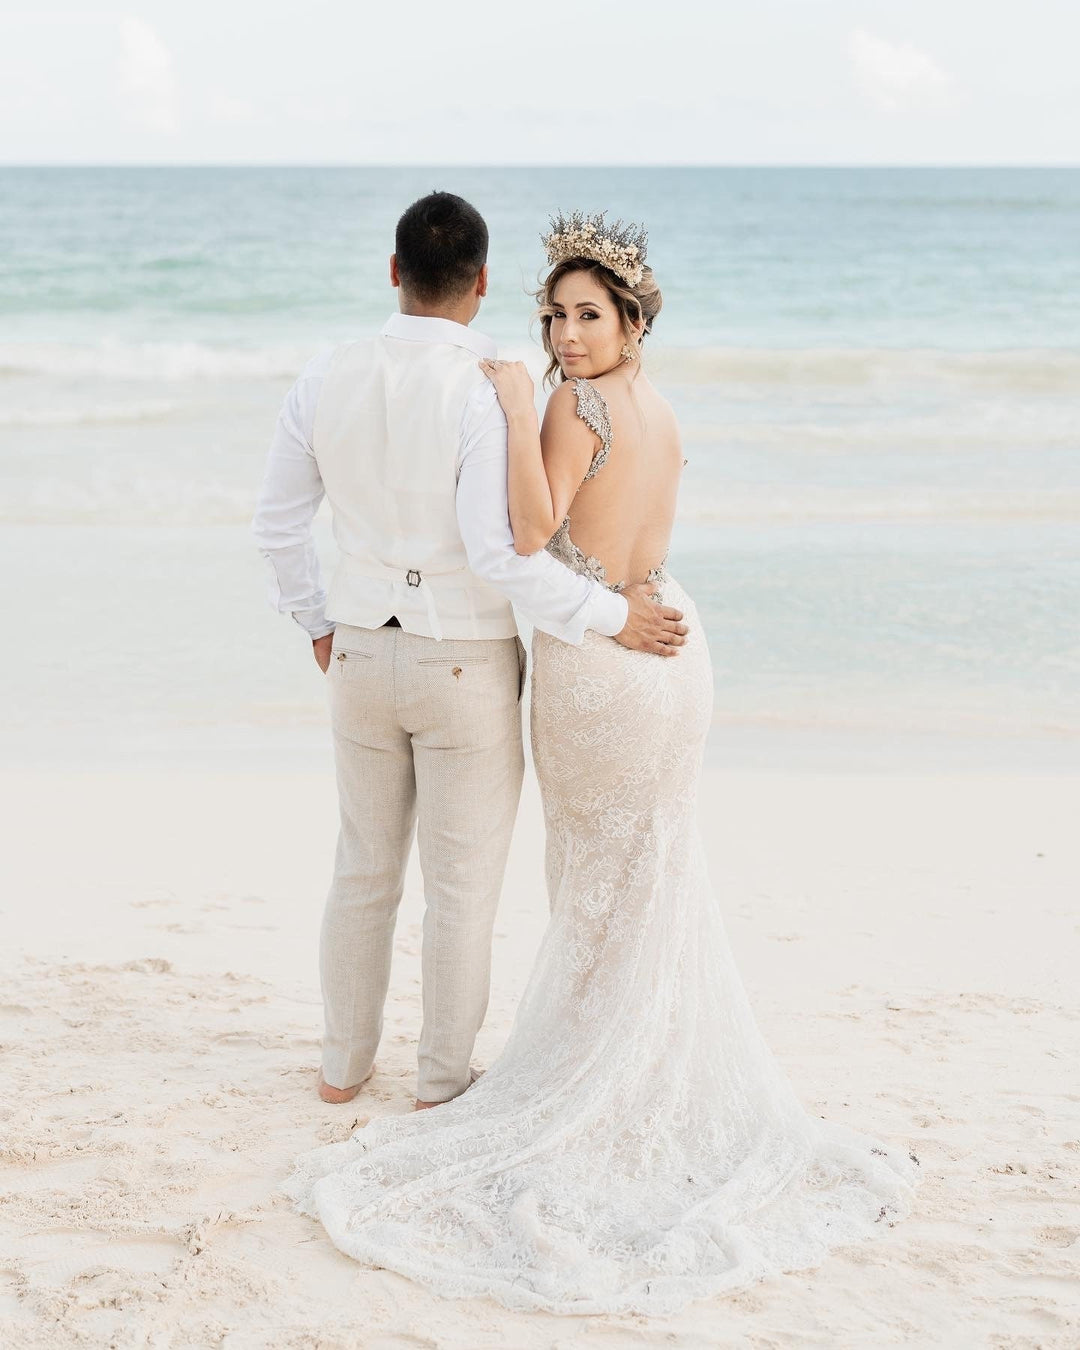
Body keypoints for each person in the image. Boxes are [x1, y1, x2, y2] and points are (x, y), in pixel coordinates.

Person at [282, 211, 921, 1316]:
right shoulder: (658, 408)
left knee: (578, 878)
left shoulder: (559, 404)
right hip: (672, 637)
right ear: (493, 292)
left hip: (604, 659)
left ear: (635, 319)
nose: (568, 335)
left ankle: (556, 1072)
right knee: (641, 872)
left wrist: (525, 407)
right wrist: (619, 607)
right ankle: (603, 1064)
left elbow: (523, 540)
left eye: (589, 316)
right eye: (555, 317)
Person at [251, 193, 686, 1113]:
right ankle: (441, 1082)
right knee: (461, 887)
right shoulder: (486, 385)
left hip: (361, 655)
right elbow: (504, 555)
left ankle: (341, 1068)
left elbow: (278, 523)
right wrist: (611, 620)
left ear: (393, 271)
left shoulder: (325, 375)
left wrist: (319, 624)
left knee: (363, 867)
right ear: (483, 284)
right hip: (465, 665)